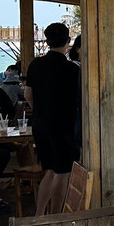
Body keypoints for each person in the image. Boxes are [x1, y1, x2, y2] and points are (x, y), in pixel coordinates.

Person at [25, 21, 80, 215]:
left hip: (40, 124)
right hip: (63, 125)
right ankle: (55, 216)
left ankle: (39, 214)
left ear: (47, 41)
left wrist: (40, 111)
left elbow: (28, 95)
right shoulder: (72, 70)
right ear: (68, 41)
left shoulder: (35, 65)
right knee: (62, 172)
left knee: (48, 170)